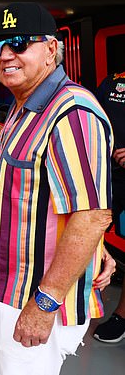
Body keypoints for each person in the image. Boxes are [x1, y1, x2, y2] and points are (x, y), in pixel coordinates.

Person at [0, 2, 114, 375]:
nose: (5, 56)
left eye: (19, 43)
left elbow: (90, 215)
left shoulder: (71, 113)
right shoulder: (23, 107)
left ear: (52, 49)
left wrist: (45, 303)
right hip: (7, 291)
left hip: (34, 300)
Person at [93, 71, 125, 343]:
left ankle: (122, 316)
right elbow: (92, 120)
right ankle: (83, 302)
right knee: (89, 237)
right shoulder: (114, 80)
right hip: (107, 176)